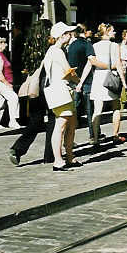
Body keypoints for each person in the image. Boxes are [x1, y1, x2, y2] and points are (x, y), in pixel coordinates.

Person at [9, 19, 55, 166]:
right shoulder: (49, 47)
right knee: (53, 118)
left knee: (36, 120)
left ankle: (18, 148)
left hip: (32, 86)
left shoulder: (29, 46)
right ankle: (50, 155)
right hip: (45, 85)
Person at [42, 22, 80, 171]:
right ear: (62, 36)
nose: (70, 35)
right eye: (68, 33)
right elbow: (68, 71)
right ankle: (58, 160)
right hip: (60, 91)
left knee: (70, 124)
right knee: (61, 125)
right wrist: (79, 81)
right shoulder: (57, 52)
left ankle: (69, 157)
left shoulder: (53, 51)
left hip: (62, 91)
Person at [84, 23, 127, 143]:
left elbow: (89, 64)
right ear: (107, 32)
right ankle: (115, 135)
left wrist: (81, 81)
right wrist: (124, 82)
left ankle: (96, 138)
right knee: (116, 107)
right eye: (112, 30)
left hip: (98, 78)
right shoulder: (114, 46)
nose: (114, 32)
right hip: (110, 77)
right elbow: (118, 64)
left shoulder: (94, 45)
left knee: (97, 110)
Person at [67, 23, 103, 144]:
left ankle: (69, 139)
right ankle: (93, 134)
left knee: (73, 111)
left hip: (73, 80)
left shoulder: (71, 46)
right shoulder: (87, 45)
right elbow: (91, 62)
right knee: (90, 110)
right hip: (87, 81)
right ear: (85, 31)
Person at [0, 36, 20, 129]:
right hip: (0, 82)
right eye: (4, 43)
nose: (6, 45)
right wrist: (7, 84)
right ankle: (13, 121)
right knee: (14, 98)